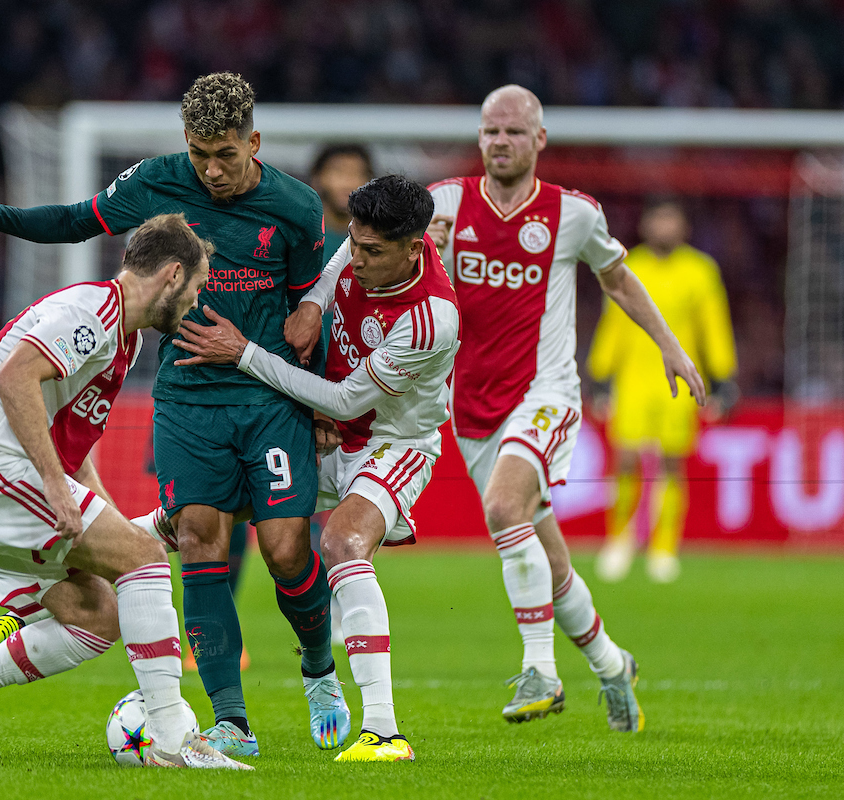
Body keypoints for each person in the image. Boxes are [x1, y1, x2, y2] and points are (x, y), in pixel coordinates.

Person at [0, 72, 346, 757]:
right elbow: (73, 220)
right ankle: (228, 720)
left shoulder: (298, 207)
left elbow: (312, 307)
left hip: (268, 395)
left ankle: (319, 669)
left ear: (255, 142)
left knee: (285, 549)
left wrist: (325, 397)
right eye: (198, 153)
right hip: (186, 399)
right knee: (199, 544)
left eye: (225, 153)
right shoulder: (158, 181)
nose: (211, 169)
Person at [0, 214, 248, 770]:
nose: (195, 304)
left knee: (96, 616)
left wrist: (106, 517)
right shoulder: (91, 310)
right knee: (143, 559)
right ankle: (170, 741)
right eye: (196, 289)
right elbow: (14, 377)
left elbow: (72, 445)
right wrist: (52, 486)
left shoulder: (126, 339)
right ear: (172, 273)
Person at [427, 85, 706, 732]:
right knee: (549, 564)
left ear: (539, 141)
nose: (500, 142)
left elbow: (617, 278)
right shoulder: (443, 204)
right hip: (470, 405)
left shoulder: (573, 214)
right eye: (490, 131)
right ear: (480, 137)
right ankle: (614, 667)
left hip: (544, 393)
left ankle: (540, 672)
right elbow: (399, 282)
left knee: (502, 510)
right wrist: (428, 251)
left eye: (514, 132)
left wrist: (671, 347)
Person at [175, 175, 460, 763]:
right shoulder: (365, 248)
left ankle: (383, 731)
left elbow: (348, 403)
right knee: (195, 518)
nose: (356, 259)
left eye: (372, 252)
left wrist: (244, 353)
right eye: (353, 242)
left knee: (341, 540)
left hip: (393, 439)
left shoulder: (433, 318)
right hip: (328, 434)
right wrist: (312, 303)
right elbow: (334, 266)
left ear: (415, 248)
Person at [590, 200, 738, 584]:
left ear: (684, 226)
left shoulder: (700, 270)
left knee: (673, 463)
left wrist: (722, 377)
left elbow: (713, 324)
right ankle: (620, 541)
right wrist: (600, 375)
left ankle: (664, 547)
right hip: (633, 378)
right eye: (658, 219)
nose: (664, 226)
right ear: (646, 224)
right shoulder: (628, 263)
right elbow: (614, 324)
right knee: (625, 459)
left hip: (680, 380)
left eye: (672, 219)